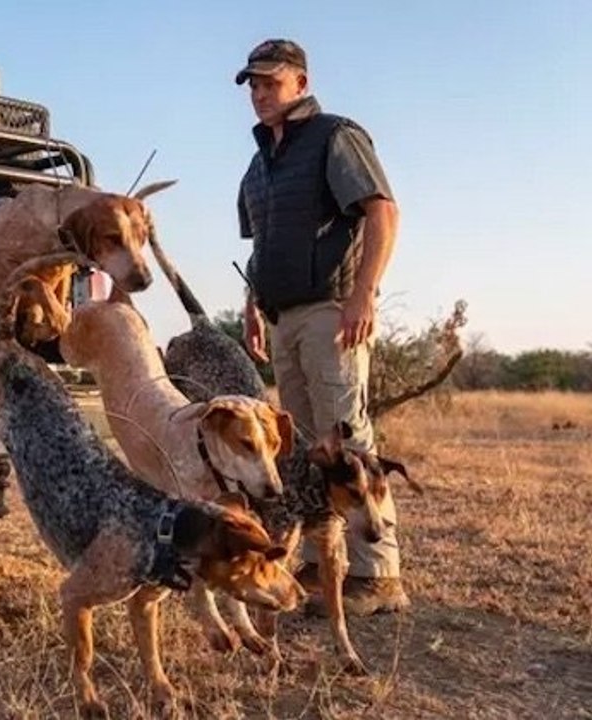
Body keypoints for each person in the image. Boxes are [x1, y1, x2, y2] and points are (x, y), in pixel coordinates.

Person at [234, 39, 407, 614]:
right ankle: (317, 563)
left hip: (332, 310)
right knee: (307, 448)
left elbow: (383, 212)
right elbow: (263, 245)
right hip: (282, 316)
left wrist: (364, 294)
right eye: (254, 85)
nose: (260, 94)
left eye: (271, 82)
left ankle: (379, 576)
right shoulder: (258, 166)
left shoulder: (336, 137)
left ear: (300, 84)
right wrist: (253, 303)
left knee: (349, 436)